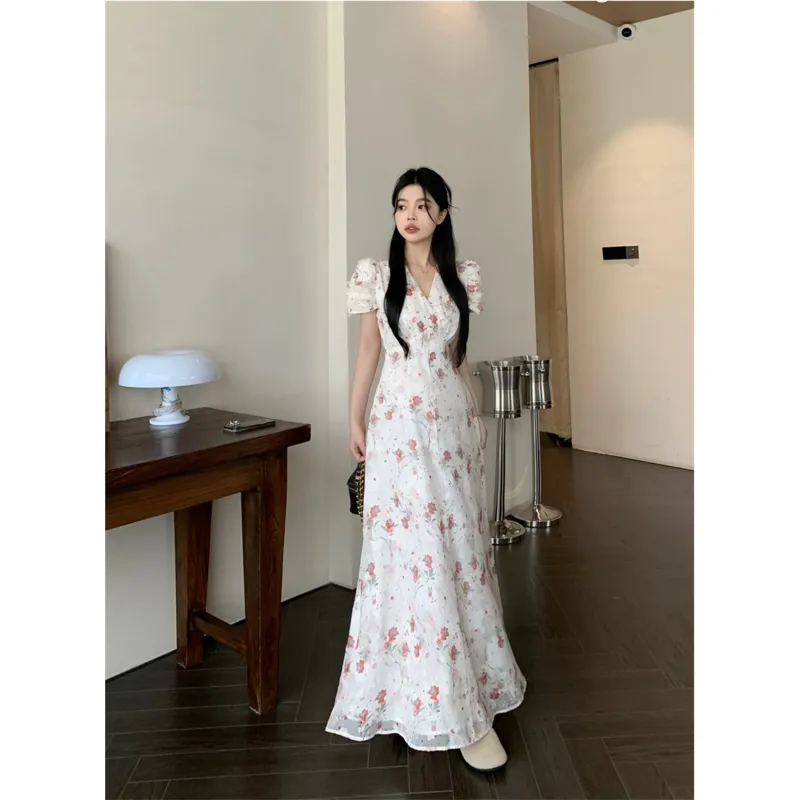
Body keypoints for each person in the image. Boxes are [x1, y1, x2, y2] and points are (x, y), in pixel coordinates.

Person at [325, 167, 526, 771]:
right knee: (415, 554)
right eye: (401, 205)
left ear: (442, 213)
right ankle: (435, 705)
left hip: (453, 429)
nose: (410, 215)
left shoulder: (461, 278)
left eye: (422, 204)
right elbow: (369, 353)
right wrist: (354, 417)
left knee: (460, 549)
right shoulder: (377, 276)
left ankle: (472, 686)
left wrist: (476, 414)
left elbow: (458, 358)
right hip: (399, 431)